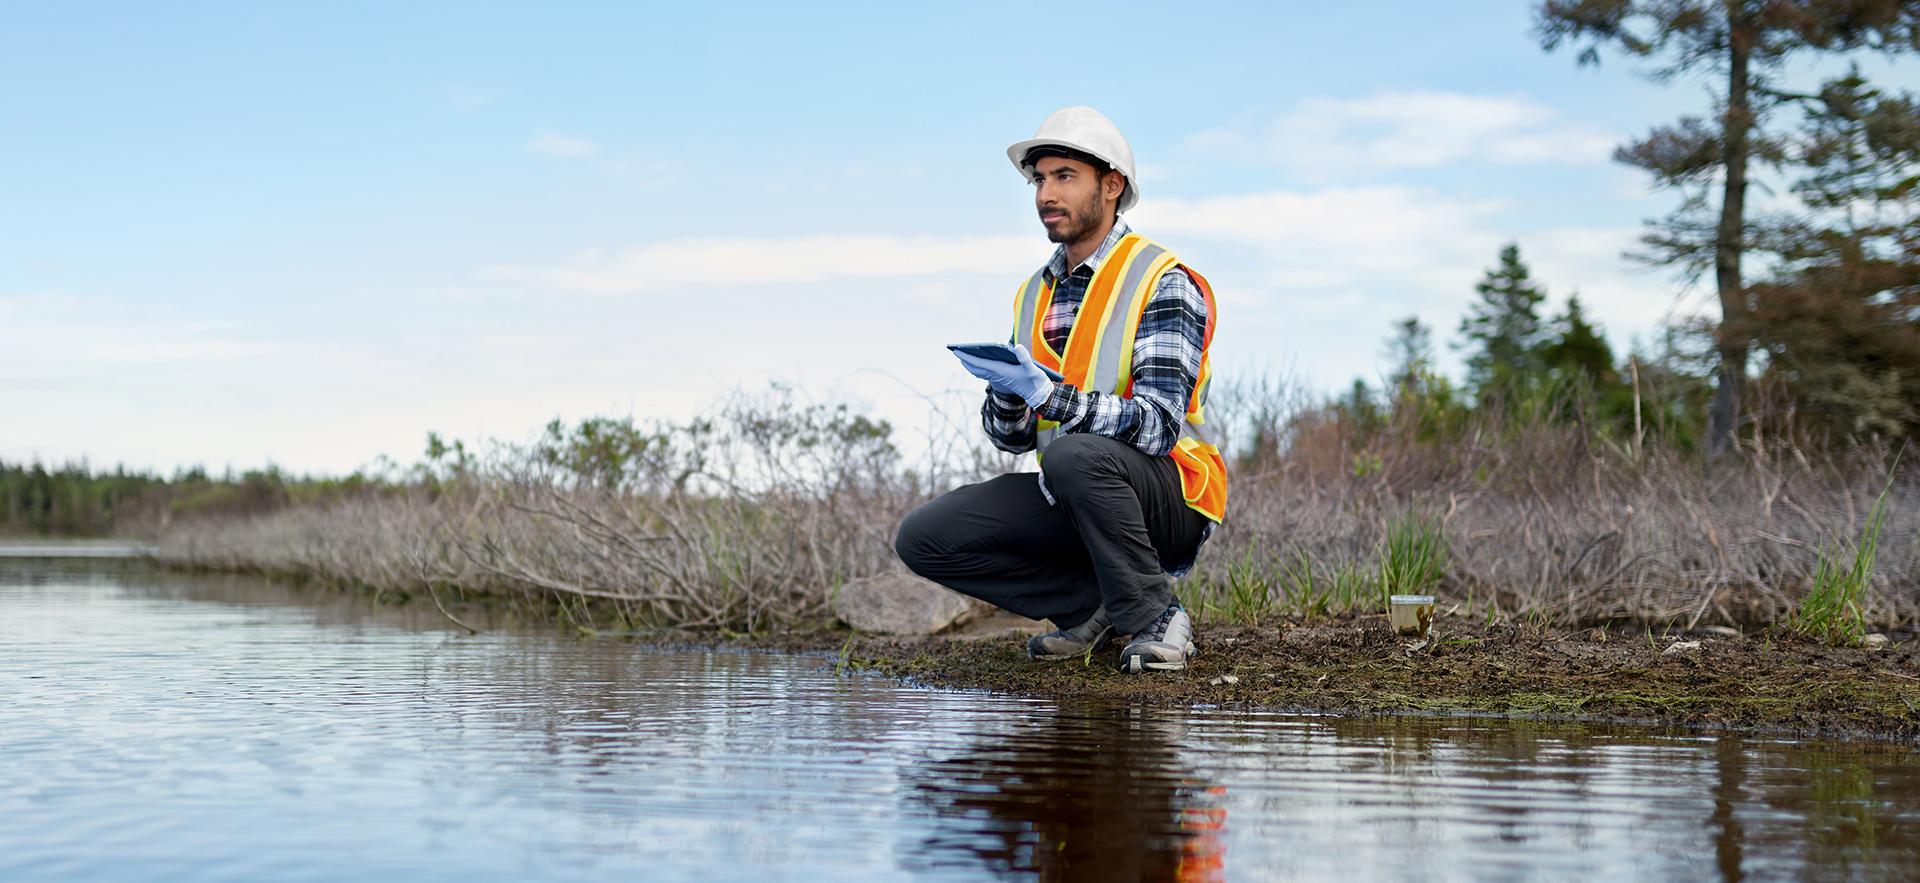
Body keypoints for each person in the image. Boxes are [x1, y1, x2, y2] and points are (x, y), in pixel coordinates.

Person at [894, 106, 1228, 674]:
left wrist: (1052, 398)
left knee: (1075, 455)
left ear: (1112, 186)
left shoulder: (1162, 280)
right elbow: (1013, 439)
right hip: (1073, 489)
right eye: (1040, 179)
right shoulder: (1032, 295)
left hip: (1170, 497)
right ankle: (1091, 607)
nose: (1046, 193)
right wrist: (1008, 392)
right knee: (924, 536)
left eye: (1064, 176)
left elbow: (1158, 423)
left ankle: (1156, 617)